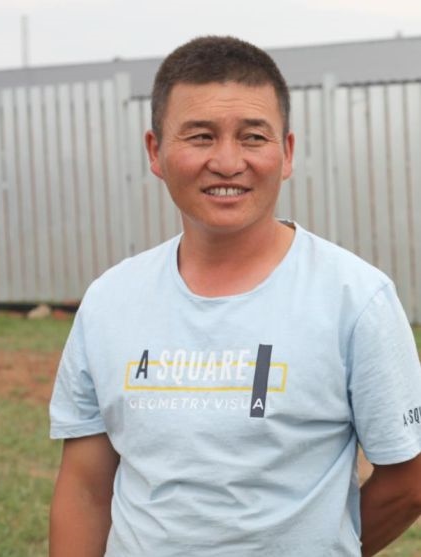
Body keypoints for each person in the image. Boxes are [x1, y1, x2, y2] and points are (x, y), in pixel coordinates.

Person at [49, 36, 421, 557]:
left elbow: (408, 483)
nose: (227, 162)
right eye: (201, 136)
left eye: (253, 137)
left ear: (286, 153)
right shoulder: (109, 300)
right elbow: (86, 488)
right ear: (155, 151)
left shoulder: (355, 299)